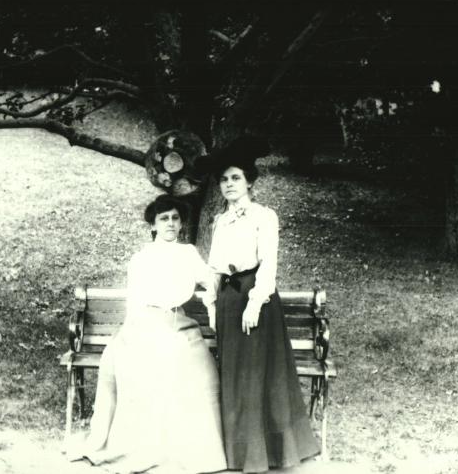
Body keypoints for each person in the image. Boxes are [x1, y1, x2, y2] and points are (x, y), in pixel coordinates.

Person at [68, 194, 227, 474]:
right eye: (163, 218)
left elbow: (210, 282)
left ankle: (195, 450)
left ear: (181, 225)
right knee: (150, 365)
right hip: (146, 323)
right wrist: (133, 335)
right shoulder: (142, 258)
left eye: (175, 218)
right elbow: (135, 302)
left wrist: (214, 292)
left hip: (180, 324)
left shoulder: (188, 253)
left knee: (203, 371)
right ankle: (148, 447)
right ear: (153, 225)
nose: (170, 223)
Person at [204, 136, 320, 473]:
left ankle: (265, 454)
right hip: (227, 299)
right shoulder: (219, 220)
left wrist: (255, 303)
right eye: (224, 179)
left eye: (235, 178)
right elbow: (214, 266)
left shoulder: (264, 216)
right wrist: (212, 305)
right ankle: (236, 453)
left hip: (255, 297)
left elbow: (268, 262)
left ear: (250, 181)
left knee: (256, 375)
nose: (229, 184)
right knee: (234, 375)